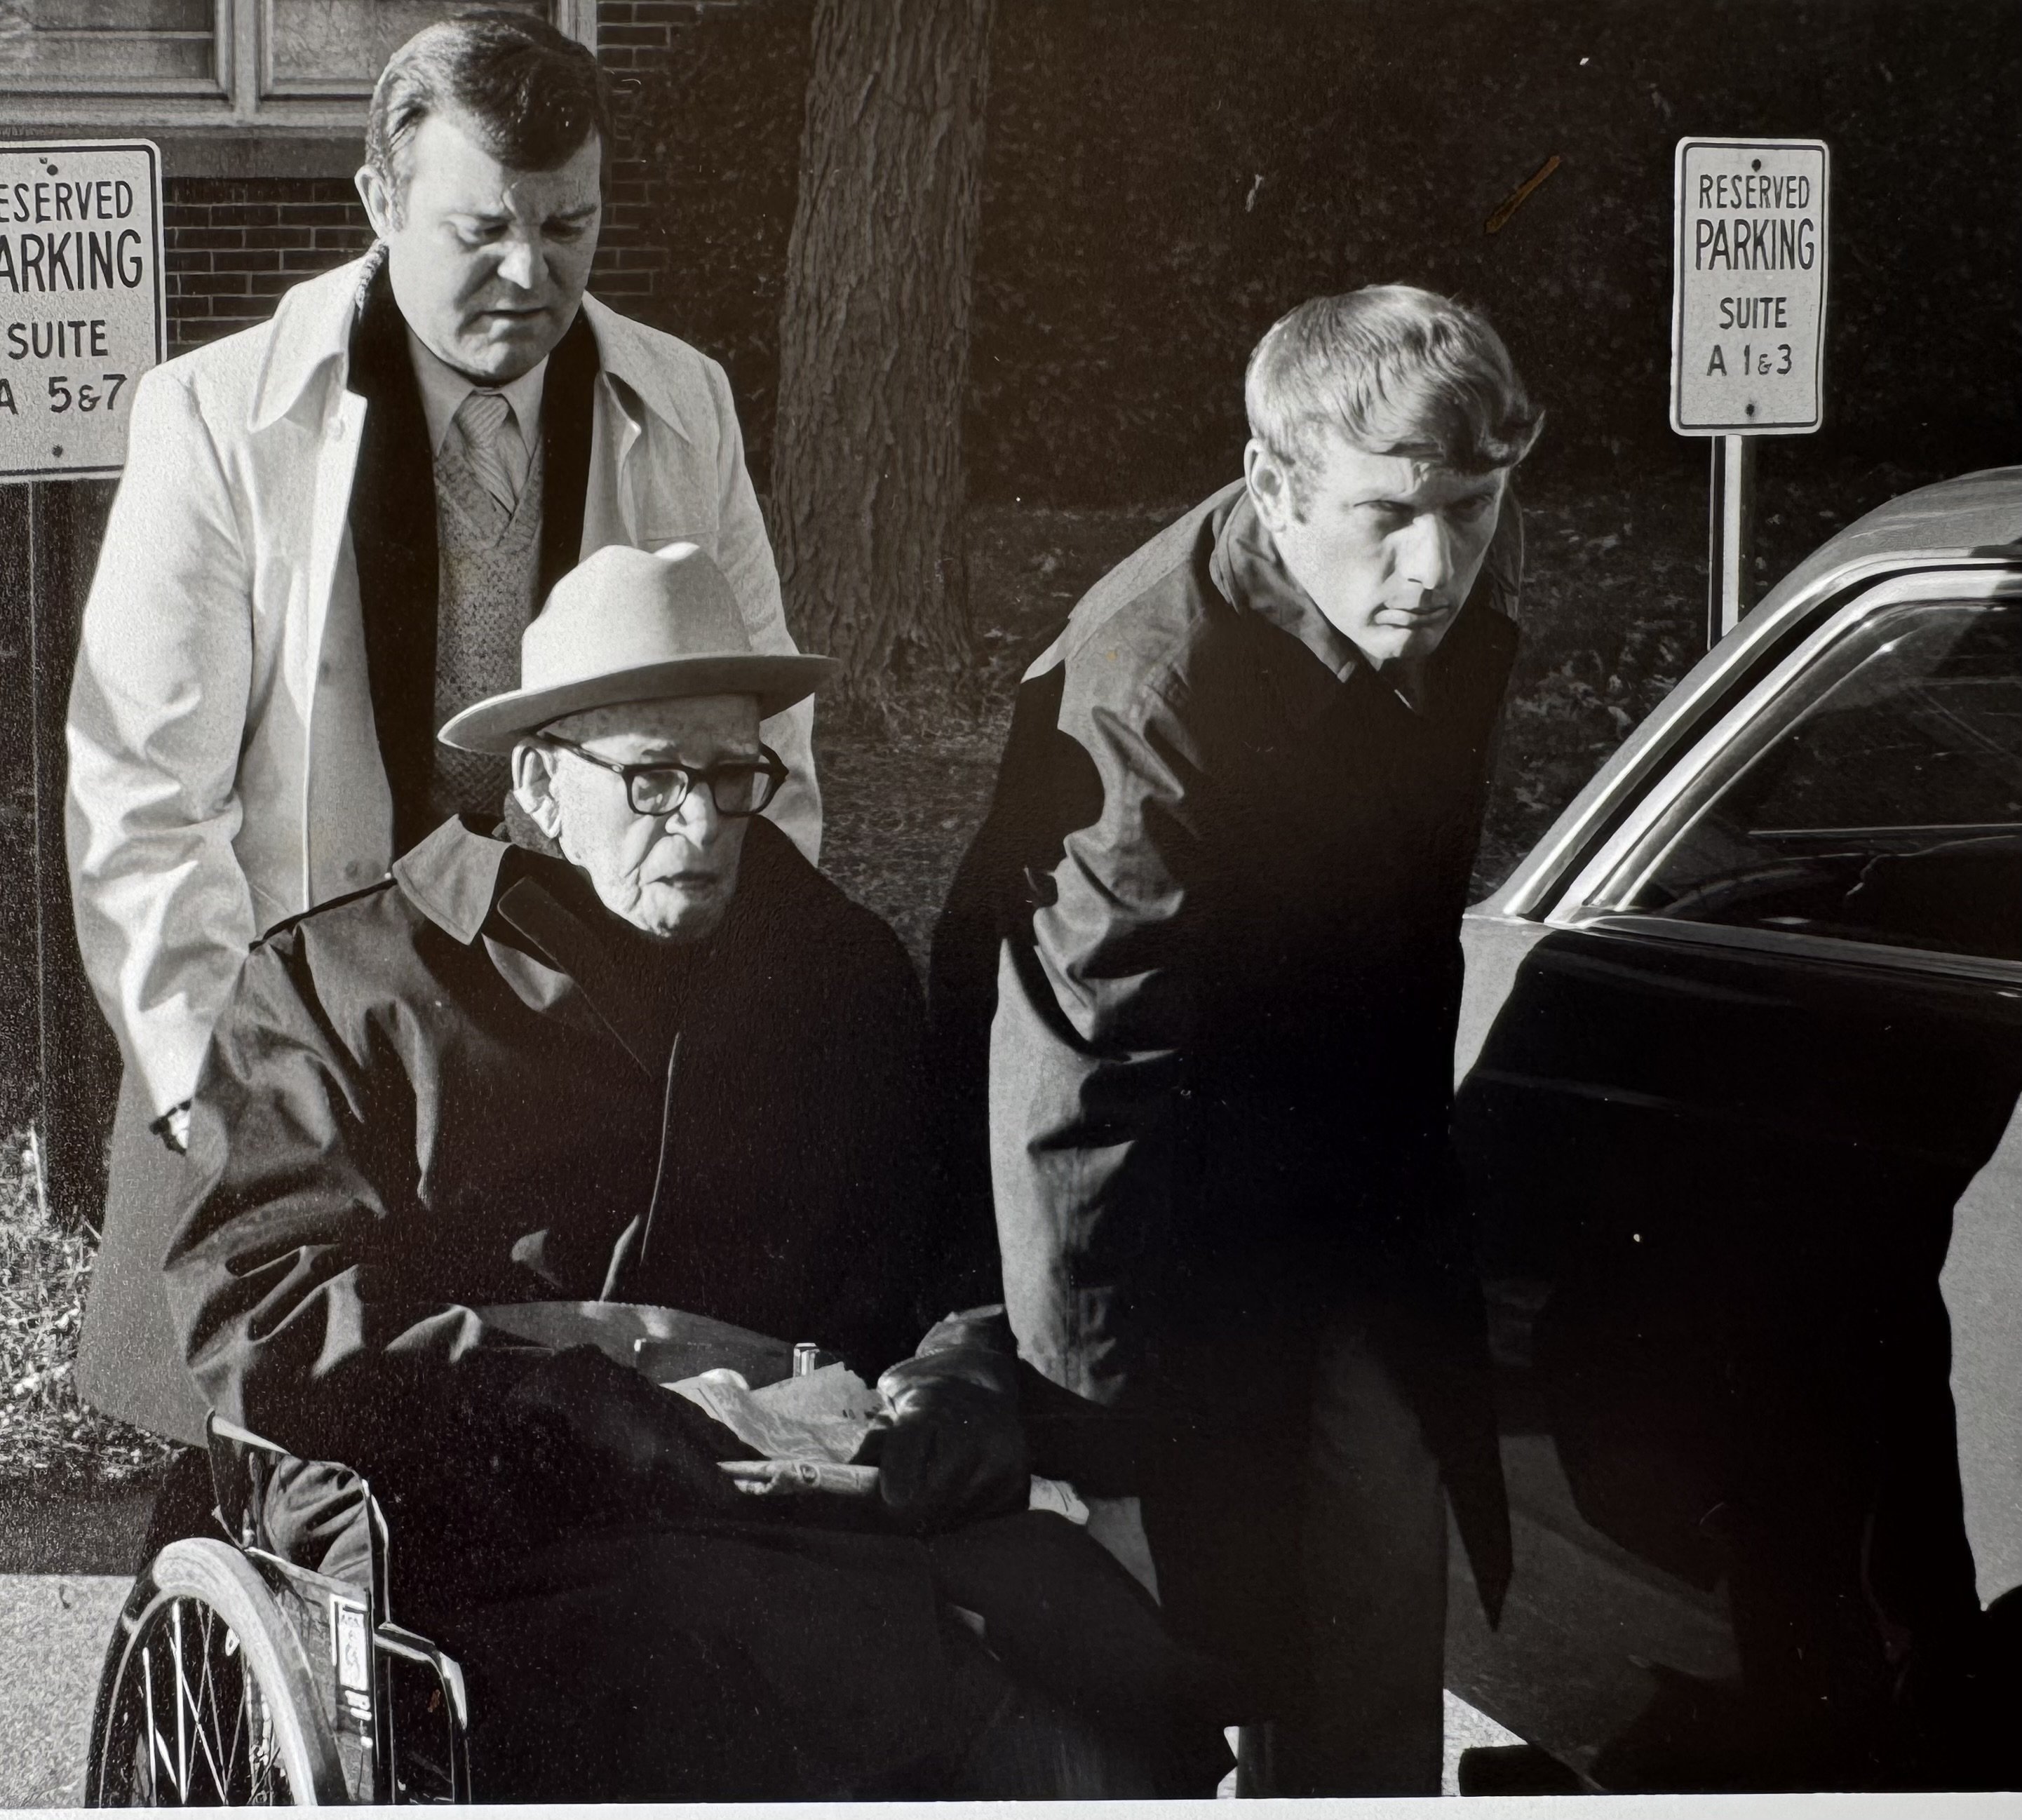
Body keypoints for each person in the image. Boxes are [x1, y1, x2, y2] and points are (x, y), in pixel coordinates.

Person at [163, 543, 1228, 1799]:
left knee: (1103, 1675)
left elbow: (961, 1256)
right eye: (657, 780)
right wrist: (561, 1399)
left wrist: (956, 1383)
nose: (707, 823)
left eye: (735, 776)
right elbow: (260, 1313)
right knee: (737, 1656)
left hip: (810, 1506)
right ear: (542, 787)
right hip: (482, 1519)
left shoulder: (836, 970)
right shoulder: (342, 983)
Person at [65, 11, 818, 1452]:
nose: (530, 274)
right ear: (377, 201)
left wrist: (721, 1034)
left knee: (605, 1480)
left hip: (574, 1056)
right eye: (480, 230)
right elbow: (142, 807)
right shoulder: (218, 420)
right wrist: (237, 1097)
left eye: (570, 225)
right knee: (284, 1480)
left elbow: (759, 748)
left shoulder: (684, 404)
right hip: (298, 1061)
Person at [931, 285, 1543, 1795]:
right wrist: (1093, 1439)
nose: (1436, 561)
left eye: (1469, 508)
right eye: (1388, 515)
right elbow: (1074, 1081)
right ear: (1274, 487)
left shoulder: (1450, 536)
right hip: (1126, 1181)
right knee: (1179, 1660)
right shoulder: (1147, 693)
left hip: (1337, 1160)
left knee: (1375, 1612)